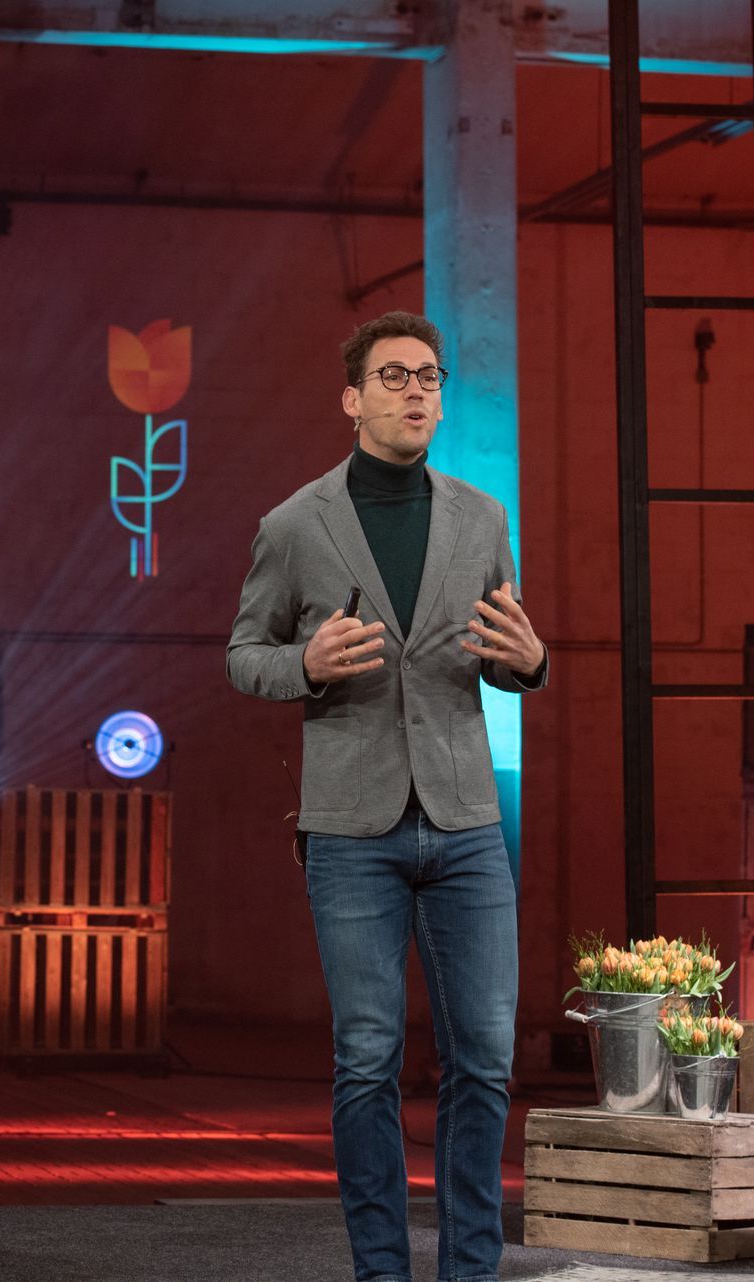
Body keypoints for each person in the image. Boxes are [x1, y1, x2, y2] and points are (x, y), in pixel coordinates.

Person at [226, 311, 549, 1282]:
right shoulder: (295, 524)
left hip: (464, 822)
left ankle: (469, 1271)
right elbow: (244, 655)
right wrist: (306, 664)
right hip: (351, 829)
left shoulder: (482, 517)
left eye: (429, 377)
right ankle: (381, 1270)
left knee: (484, 1057)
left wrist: (530, 661)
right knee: (366, 1059)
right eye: (395, 376)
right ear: (352, 399)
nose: (416, 391)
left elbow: (502, 649)